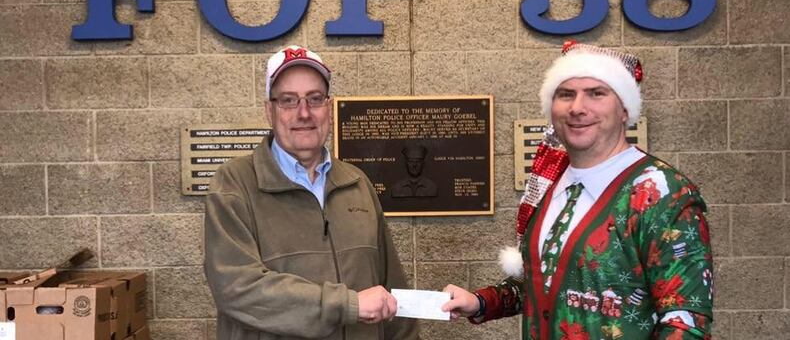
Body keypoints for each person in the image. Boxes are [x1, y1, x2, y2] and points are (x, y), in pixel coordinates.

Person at [442, 41, 713, 339]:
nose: (577, 108)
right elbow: (543, 281)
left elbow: (685, 322)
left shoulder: (663, 193)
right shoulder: (551, 186)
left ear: (624, 109)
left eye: (597, 93)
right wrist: (481, 302)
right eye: (566, 94)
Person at [204, 45, 419, 340]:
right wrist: (348, 305)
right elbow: (238, 288)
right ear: (270, 110)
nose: (304, 113)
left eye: (315, 99)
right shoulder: (233, 185)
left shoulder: (356, 184)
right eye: (288, 101)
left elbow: (392, 288)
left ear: (328, 108)